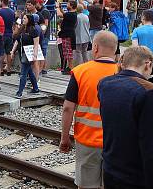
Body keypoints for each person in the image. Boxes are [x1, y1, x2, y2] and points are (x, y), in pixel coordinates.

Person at [59, 31, 119, 189]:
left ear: (96, 48)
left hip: (88, 140)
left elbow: (67, 108)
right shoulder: (122, 73)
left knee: (87, 185)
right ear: (115, 49)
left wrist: (65, 137)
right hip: (116, 142)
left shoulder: (80, 72)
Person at [98, 46, 153, 189]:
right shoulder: (147, 90)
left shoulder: (104, 84)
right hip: (135, 174)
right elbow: (149, 141)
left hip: (110, 166)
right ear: (148, 64)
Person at [11, 13, 40, 97]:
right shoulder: (22, 29)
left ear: (29, 20)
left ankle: (19, 92)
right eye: (23, 18)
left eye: (25, 18)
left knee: (23, 73)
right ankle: (35, 88)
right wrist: (12, 51)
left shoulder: (33, 30)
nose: (23, 20)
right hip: (22, 52)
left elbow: (36, 43)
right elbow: (17, 40)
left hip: (28, 53)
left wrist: (35, 54)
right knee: (29, 71)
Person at [56, 0, 78, 74]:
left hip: (68, 35)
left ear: (71, 5)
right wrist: (61, 9)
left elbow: (59, 15)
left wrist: (57, 7)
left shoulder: (71, 14)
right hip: (67, 34)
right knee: (67, 52)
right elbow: (64, 14)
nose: (67, 5)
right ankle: (69, 67)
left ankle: (71, 68)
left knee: (69, 52)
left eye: (68, 4)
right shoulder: (71, 14)